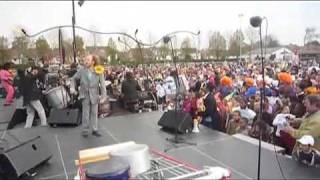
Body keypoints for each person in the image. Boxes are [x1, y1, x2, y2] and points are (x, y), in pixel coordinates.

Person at [71, 55, 107, 137]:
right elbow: (73, 79)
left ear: (93, 62)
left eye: (88, 60)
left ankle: (95, 129)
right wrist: (72, 88)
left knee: (94, 113)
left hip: (95, 94)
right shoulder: (82, 70)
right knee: (85, 113)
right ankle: (85, 130)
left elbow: (103, 85)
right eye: (85, 60)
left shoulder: (99, 70)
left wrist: (103, 96)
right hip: (85, 94)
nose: (85, 61)